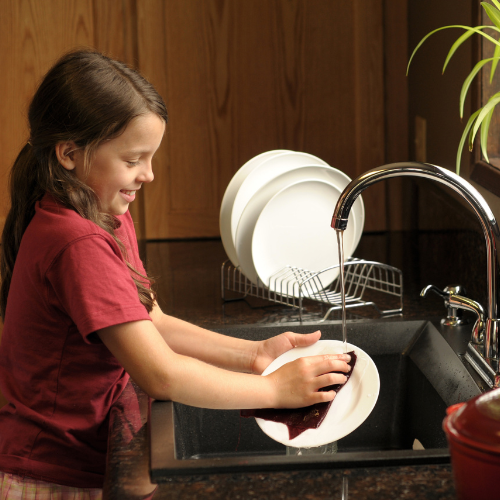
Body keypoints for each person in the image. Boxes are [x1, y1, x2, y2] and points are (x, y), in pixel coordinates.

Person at [0, 49, 351, 499]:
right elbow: (161, 376)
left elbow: (153, 321)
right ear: (69, 153)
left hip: (73, 456)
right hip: (51, 475)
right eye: (133, 160)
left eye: (150, 158)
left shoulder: (102, 213)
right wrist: (274, 390)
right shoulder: (78, 243)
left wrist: (254, 355)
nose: (148, 175)